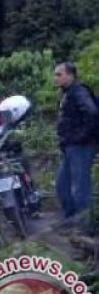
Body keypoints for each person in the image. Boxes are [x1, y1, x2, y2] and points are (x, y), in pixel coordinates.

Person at [54, 62, 98, 226]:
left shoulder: (79, 91)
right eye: (56, 74)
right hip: (72, 147)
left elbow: (92, 113)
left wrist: (79, 137)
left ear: (71, 75)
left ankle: (86, 225)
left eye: (59, 74)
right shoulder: (68, 93)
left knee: (81, 187)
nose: (56, 78)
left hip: (82, 146)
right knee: (62, 185)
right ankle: (72, 219)